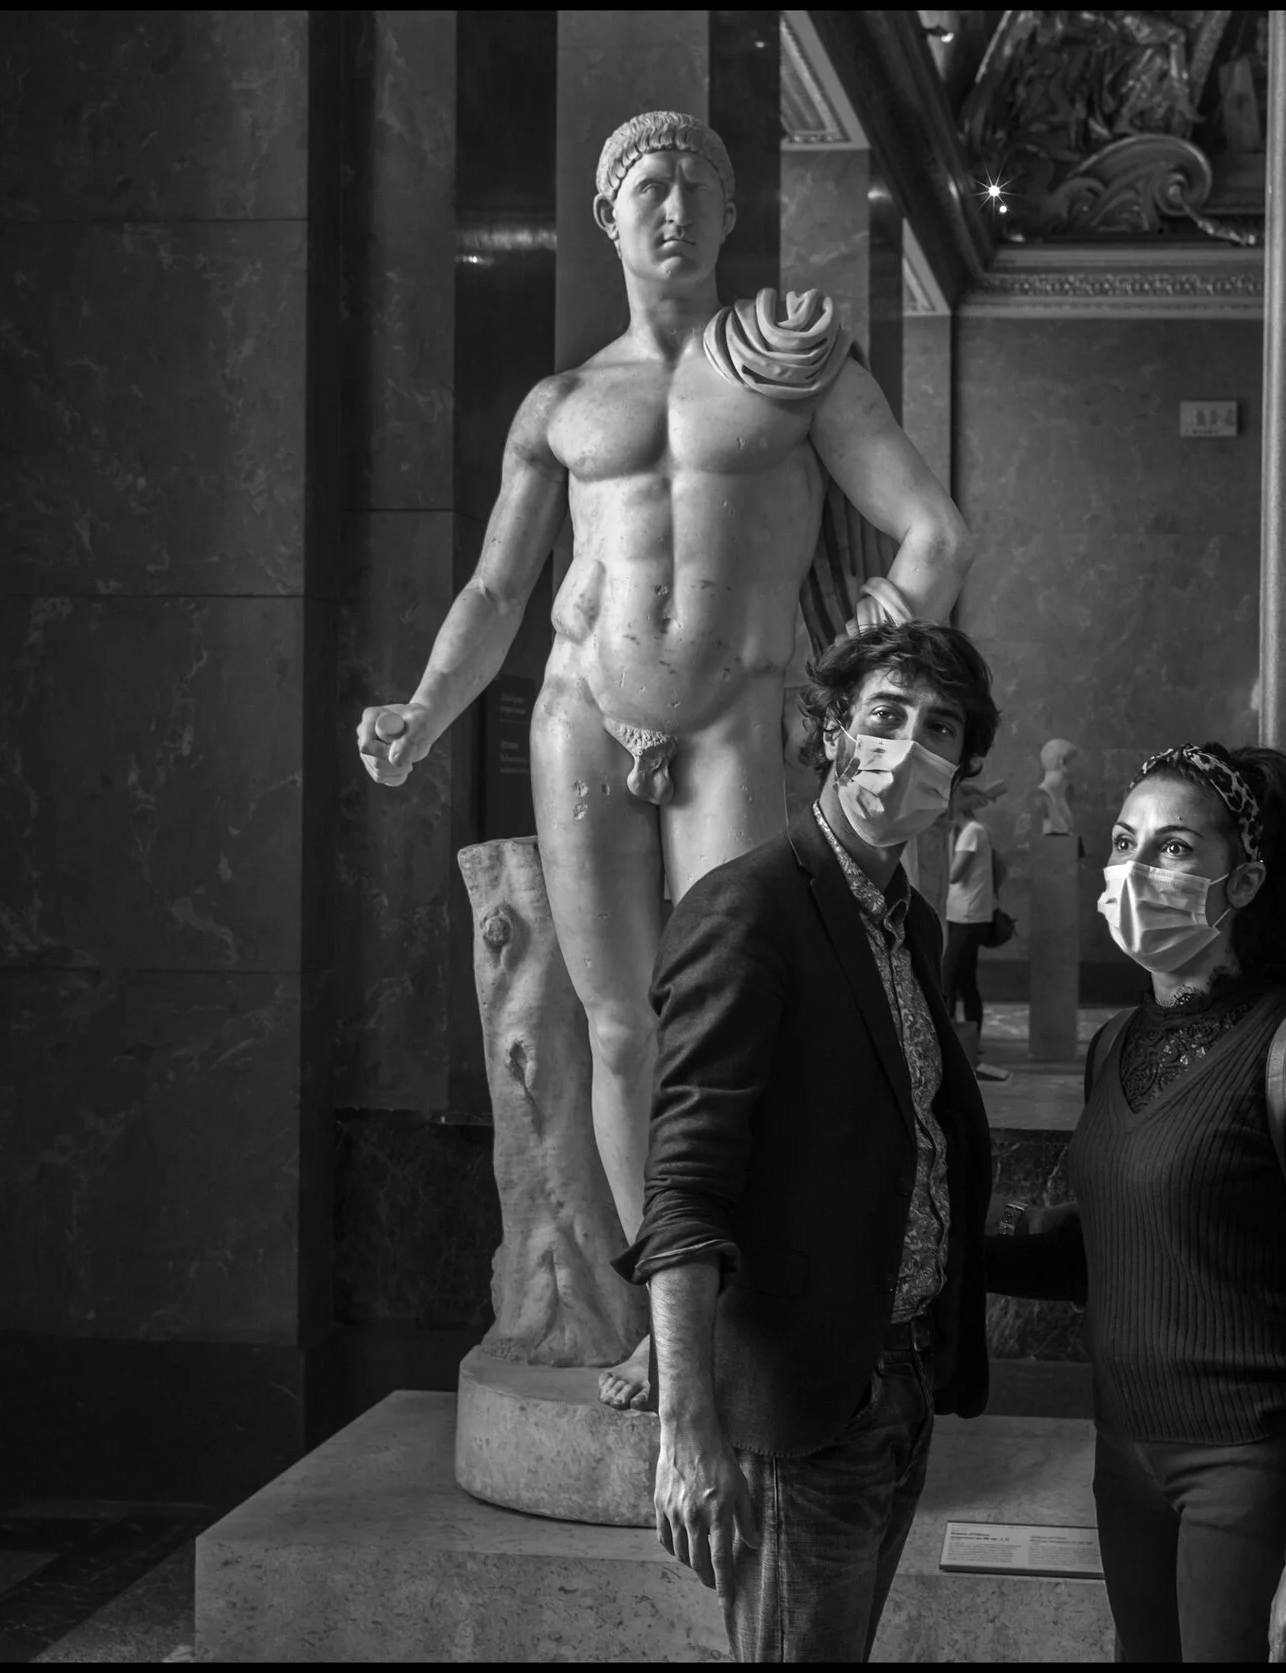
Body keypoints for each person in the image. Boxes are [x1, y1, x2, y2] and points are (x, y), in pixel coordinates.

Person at [354, 109, 971, 1411]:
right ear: (606, 217)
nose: (675, 203)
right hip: (582, 717)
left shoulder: (795, 364)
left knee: (740, 1017)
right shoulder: (564, 403)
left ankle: (766, 1307)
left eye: (699, 180)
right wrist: (421, 709)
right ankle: (661, 1322)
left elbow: (931, 537)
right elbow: (494, 587)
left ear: (732, 213)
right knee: (620, 1029)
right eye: (648, 184)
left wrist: (852, 688)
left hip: (739, 721)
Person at [620, 621, 1000, 1663]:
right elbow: (688, 1180)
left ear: (960, 768)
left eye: (939, 728)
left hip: (900, 1381)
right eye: (884, 715)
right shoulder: (752, 906)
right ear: (832, 728)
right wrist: (685, 1429)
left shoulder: (905, 920)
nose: (906, 746)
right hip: (804, 1403)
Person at [987, 741, 1286, 1662]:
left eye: (1172, 849)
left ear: (1242, 881)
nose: (1136, 869)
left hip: (1242, 1464)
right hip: (1123, 1450)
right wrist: (938, 1251)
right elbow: (1101, 1256)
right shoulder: (1114, 1044)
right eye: (1125, 842)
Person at [945, 778, 1013, 1083]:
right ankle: (972, 1045)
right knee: (965, 980)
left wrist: (944, 842)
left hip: (967, 916)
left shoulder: (970, 832)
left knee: (947, 978)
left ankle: (949, 1046)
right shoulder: (973, 831)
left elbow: (955, 874)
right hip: (970, 914)